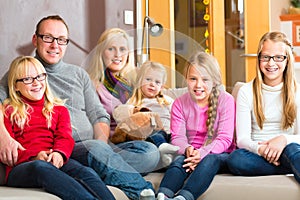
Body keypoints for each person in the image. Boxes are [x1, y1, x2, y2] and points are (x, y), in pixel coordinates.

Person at [0, 15, 156, 200]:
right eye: (48, 38)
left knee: (150, 153)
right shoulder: (23, 72)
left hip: (89, 145)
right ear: (36, 40)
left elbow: (98, 114)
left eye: (61, 40)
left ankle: (102, 163)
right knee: (95, 152)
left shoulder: (78, 75)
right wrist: (3, 137)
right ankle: (142, 191)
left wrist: (101, 146)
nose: (54, 45)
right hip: (58, 147)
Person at [2, 56, 114, 200]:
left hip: (53, 158)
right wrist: (35, 156)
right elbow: (8, 148)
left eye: (40, 77)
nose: (36, 83)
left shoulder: (59, 110)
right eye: (27, 79)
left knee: (87, 172)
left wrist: (59, 154)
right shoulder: (9, 111)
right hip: (23, 167)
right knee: (40, 167)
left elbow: (65, 137)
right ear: (16, 86)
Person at [156, 51, 236, 200]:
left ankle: (183, 198)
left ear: (215, 81)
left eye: (205, 79)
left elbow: (224, 139)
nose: (199, 85)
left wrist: (202, 153)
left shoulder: (226, 101)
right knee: (179, 161)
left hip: (218, 154)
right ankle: (162, 195)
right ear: (186, 79)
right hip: (190, 154)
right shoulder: (179, 103)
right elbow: (177, 137)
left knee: (210, 160)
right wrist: (188, 150)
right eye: (193, 79)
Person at [226, 31, 300, 183]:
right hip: (258, 154)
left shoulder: (297, 91)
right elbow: (242, 139)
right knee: (236, 159)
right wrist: (262, 149)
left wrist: (283, 139)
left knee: (293, 150)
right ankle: (289, 168)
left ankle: (291, 164)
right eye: (266, 57)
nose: (271, 63)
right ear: (259, 58)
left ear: (287, 60)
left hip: (287, 150)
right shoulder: (246, 91)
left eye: (278, 57)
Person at [85, 28, 160, 173]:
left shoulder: (138, 80)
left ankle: (108, 169)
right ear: (101, 52)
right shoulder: (93, 84)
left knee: (154, 148)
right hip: (112, 144)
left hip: (139, 141)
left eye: (122, 49)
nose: (118, 55)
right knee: (150, 155)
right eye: (111, 49)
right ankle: (106, 165)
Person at [114, 61, 180, 168]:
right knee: (152, 134)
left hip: (167, 134)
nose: (152, 84)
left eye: (157, 82)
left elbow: (178, 118)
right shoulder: (134, 101)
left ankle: (166, 154)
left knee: (168, 138)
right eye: (148, 79)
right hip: (146, 136)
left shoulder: (167, 101)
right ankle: (163, 152)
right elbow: (124, 116)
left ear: (162, 87)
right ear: (140, 81)